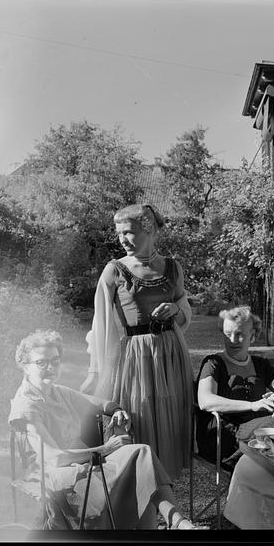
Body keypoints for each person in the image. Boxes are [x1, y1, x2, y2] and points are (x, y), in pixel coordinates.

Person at [8, 330, 206, 529]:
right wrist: (106, 448)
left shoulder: (57, 392)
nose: (50, 367)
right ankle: (179, 523)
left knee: (140, 460)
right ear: (25, 366)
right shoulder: (26, 405)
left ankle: (178, 524)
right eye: (42, 363)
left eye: (55, 360)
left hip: (85, 463)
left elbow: (99, 403)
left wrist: (116, 409)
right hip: (57, 475)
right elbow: (53, 458)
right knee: (139, 460)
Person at [80, 203, 192, 479]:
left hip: (169, 354)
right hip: (135, 360)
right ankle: (139, 487)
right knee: (139, 418)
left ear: (150, 230)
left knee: (168, 418)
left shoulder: (173, 268)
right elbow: (101, 324)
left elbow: (184, 305)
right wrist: (97, 370)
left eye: (129, 232)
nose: (123, 240)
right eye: (119, 233)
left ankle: (165, 490)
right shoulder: (114, 271)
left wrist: (175, 310)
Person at [196, 305, 274, 471]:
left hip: (263, 433)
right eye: (228, 334)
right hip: (226, 437)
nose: (232, 340)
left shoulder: (261, 365)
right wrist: (253, 405)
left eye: (239, 335)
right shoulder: (213, 364)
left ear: (253, 336)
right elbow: (205, 401)